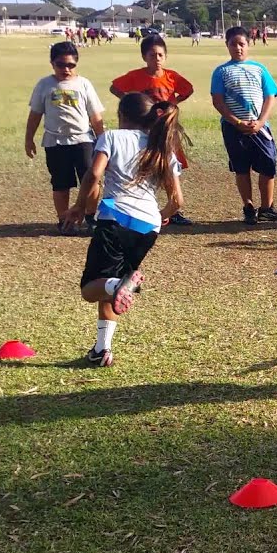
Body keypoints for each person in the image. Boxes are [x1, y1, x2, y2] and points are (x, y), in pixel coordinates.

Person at [63, 92, 185, 368]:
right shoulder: (161, 147)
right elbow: (177, 201)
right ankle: (101, 350)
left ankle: (119, 284)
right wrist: (162, 216)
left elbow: (94, 175)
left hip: (116, 219)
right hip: (148, 226)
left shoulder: (112, 137)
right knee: (111, 285)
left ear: (122, 116)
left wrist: (80, 206)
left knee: (90, 288)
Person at [110, 34, 196, 226]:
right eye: (151, 55)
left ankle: (173, 209)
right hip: (144, 130)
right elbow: (114, 87)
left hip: (166, 130)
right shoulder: (136, 76)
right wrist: (129, 101)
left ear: (165, 56)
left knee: (169, 168)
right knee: (147, 167)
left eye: (160, 55)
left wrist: (173, 103)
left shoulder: (171, 76)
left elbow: (188, 90)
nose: (156, 59)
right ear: (144, 57)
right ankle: (141, 205)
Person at [25, 41, 106, 235]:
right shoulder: (44, 85)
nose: (66, 69)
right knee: (61, 183)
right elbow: (35, 114)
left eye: (71, 65)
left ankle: (90, 217)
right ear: (52, 63)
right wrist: (29, 139)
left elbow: (95, 116)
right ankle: (64, 219)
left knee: (92, 180)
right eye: (61, 64)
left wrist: (103, 141)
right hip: (55, 142)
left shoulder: (84, 84)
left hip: (83, 140)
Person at [211, 26, 277, 225]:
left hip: (259, 127)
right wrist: (236, 122)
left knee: (269, 164)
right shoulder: (221, 71)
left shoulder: (259, 68)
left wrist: (261, 121)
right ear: (227, 45)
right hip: (233, 128)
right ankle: (248, 207)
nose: (238, 48)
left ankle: (266, 208)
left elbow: (270, 96)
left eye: (242, 44)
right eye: (233, 44)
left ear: (249, 45)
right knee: (241, 168)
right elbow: (218, 101)